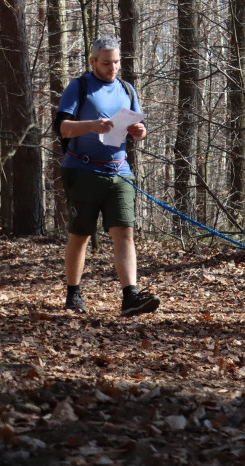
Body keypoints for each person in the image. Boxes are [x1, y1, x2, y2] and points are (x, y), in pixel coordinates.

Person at [53, 37, 160, 316]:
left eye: (116, 62)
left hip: (119, 172)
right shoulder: (80, 87)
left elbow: (140, 125)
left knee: (124, 231)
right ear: (93, 62)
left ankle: (130, 297)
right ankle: (73, 293)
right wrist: (91, 126)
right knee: (81, 233)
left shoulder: (126, 89)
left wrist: (139, 131)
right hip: (82, 169)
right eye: (106, 63)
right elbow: (62, 128)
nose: (112, 68)